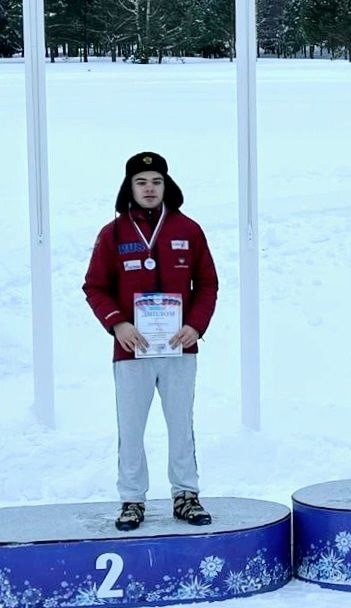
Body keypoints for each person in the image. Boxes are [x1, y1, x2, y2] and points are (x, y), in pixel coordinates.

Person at [84, 152, 219, 531]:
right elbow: (95, 286)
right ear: (130, 187)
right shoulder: (112, 234)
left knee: (181, 424)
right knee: (130, 427)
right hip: (132, 350)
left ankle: (186, 495)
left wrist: (195, 325)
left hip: (179, 347)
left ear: (166, 186)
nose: (149, 189)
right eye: (141, 182)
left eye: (156, 182)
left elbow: (207, 284)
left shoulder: (188, 230)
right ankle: (131, 499)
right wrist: (118, 325)